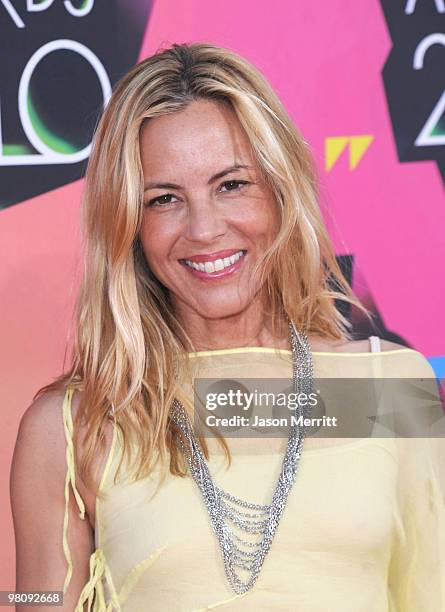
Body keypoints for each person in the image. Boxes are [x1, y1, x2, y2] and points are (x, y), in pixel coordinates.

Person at [10, 42, 444, 611]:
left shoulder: (388, 385)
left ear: (280, 191)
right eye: (164, 199)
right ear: (127, 224)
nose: (204, 229)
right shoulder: (74, 424)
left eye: (231, 185)